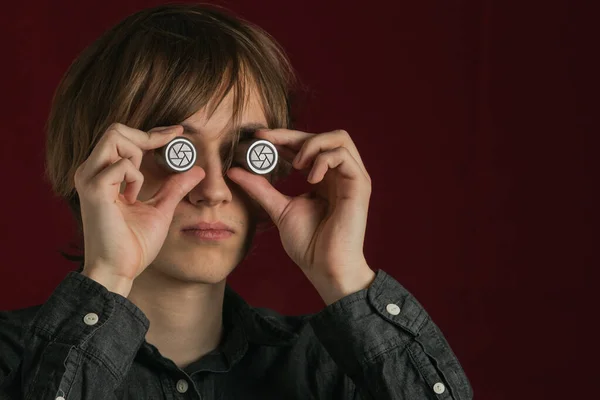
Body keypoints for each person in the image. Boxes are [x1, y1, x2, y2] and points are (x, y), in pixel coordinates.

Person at [0, 3, 473, 399]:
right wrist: (107, 277)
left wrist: (345, 276)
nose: (213, 188)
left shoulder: (335, 368)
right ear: (99, 163)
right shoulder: (12, 360)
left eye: (241, 150)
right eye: (174, 150)